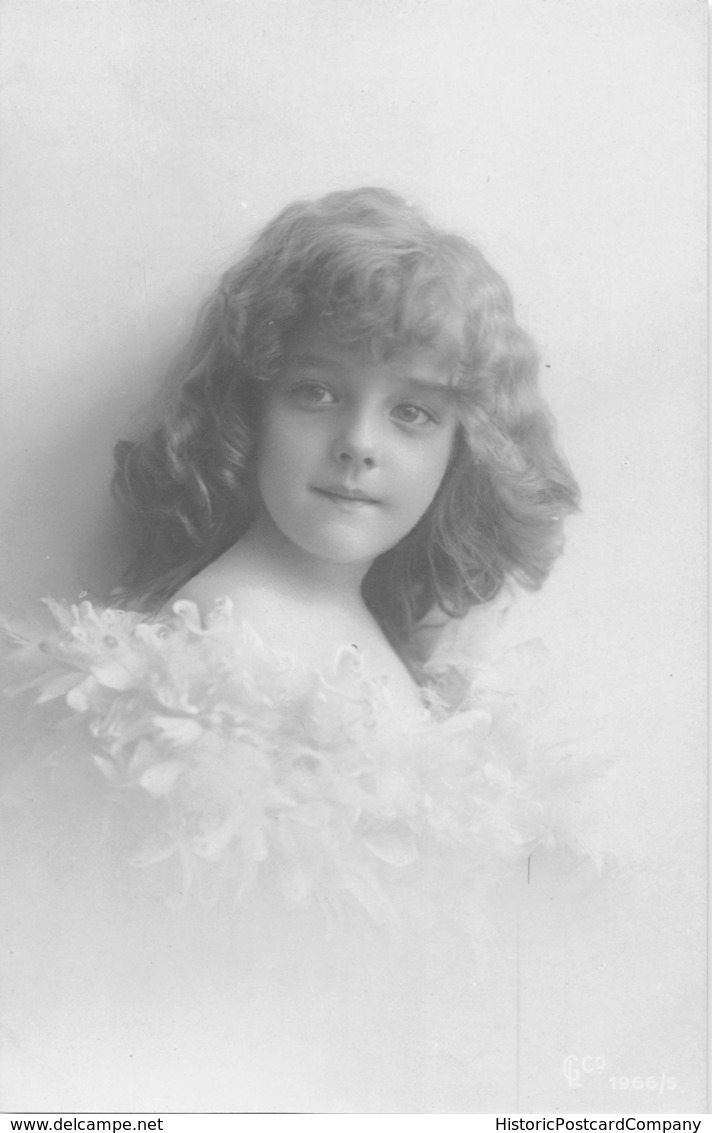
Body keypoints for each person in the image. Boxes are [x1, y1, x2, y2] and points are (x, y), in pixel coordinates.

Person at [2, 188, 598, 1112]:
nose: (358, 445)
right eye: (317, 393)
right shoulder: (224, 632)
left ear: (461, 450)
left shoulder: (383, 650)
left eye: (413, 414)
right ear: (249, 411)